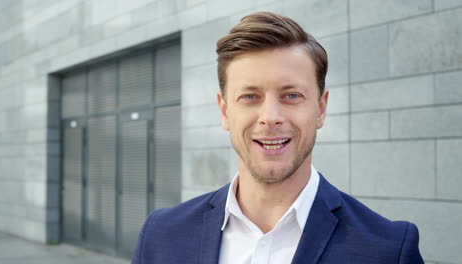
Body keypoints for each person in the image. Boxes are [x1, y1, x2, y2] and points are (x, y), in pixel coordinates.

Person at [131, 12, 424, 264]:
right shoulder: (161, 236)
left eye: (291, 95)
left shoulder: (388, 249)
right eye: (250, 96)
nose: (270, 116)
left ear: (320, 109)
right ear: (224, 111)